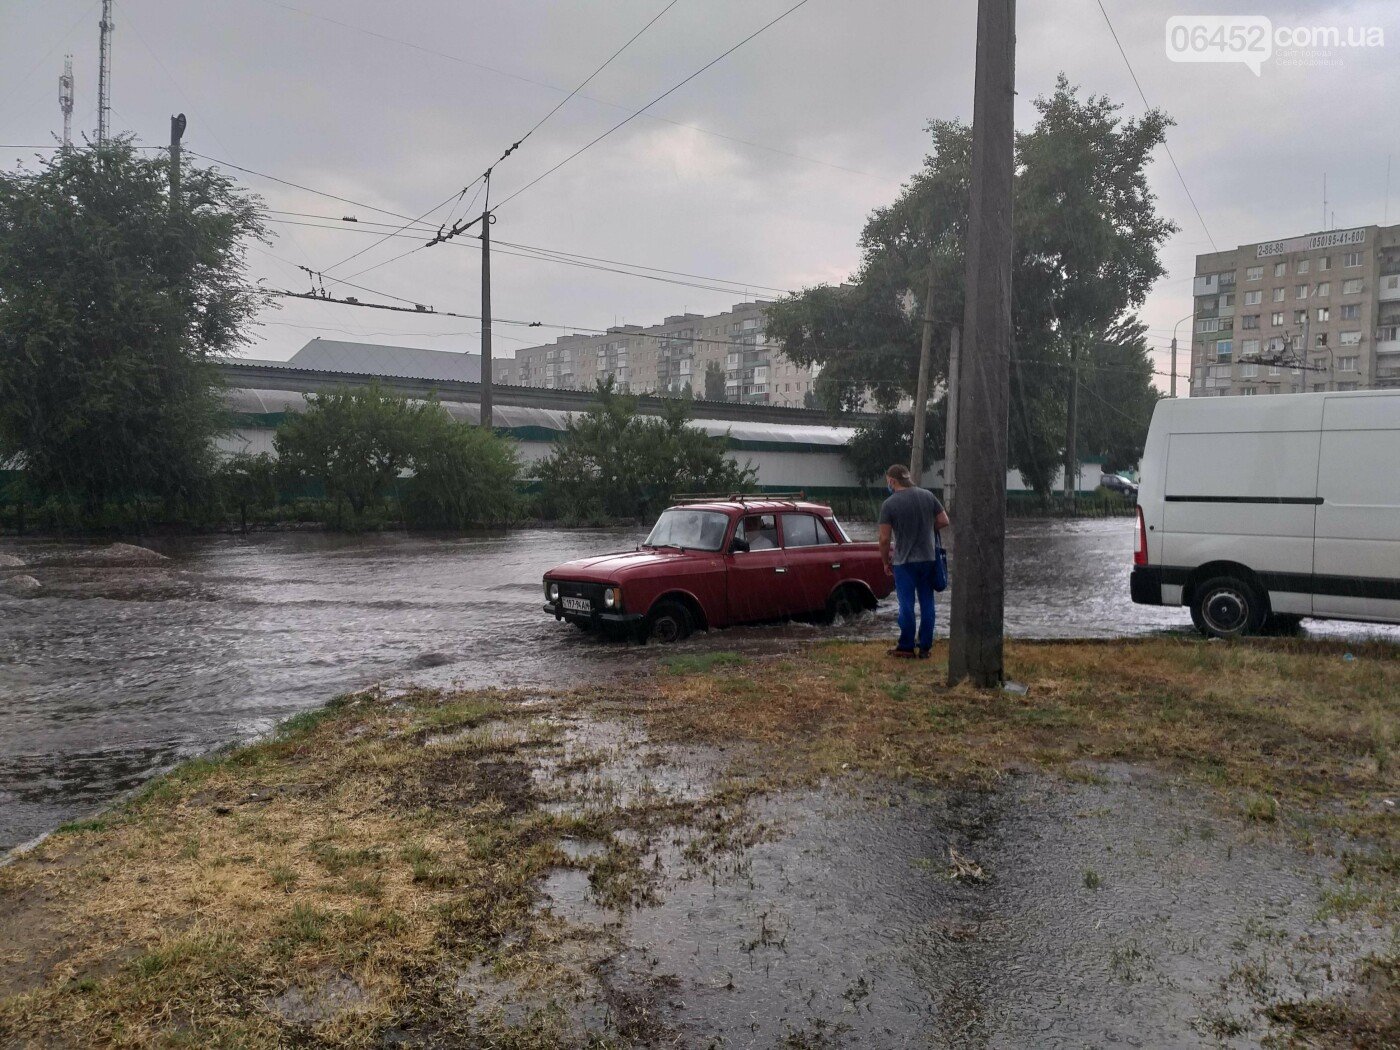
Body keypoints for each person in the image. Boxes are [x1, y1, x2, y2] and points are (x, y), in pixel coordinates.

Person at [877, 464, 950, 659]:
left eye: (888, 482)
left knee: (906, 605)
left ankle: (906, 646)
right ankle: (925, 646)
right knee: (927, 603)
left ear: (892, 481)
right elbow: (944, 520)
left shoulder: (890, 504)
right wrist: (927, 529)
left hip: (904, 561)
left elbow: (884, 539)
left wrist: (885, 562)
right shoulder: (927, 496)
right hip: (928, 558)